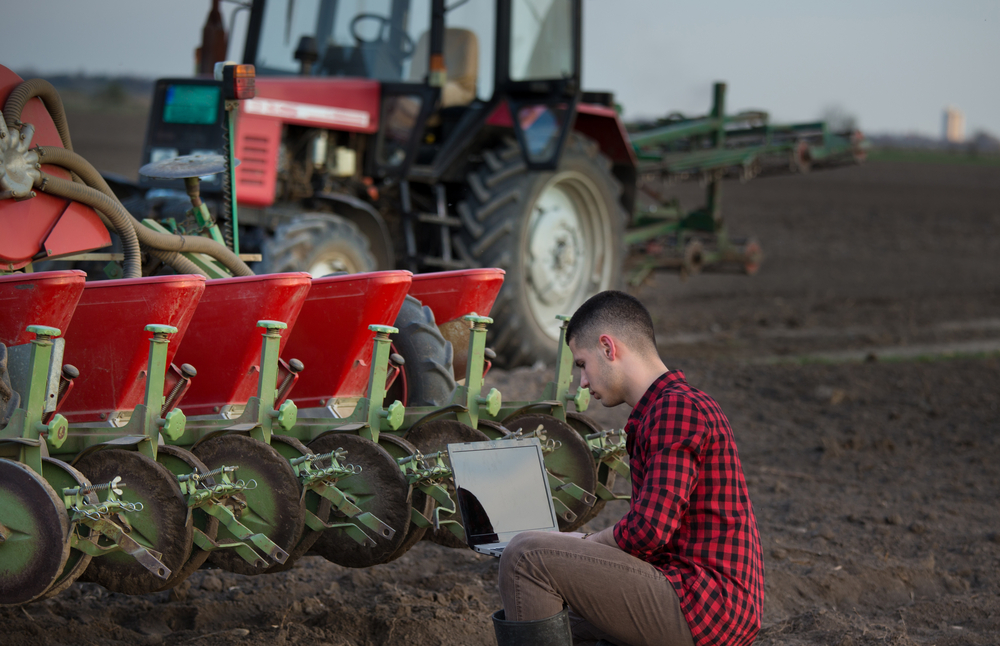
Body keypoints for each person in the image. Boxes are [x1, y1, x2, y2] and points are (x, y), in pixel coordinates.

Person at [492, 291, 764, 646]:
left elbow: (648, 531)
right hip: (692, 595)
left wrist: (584, 542)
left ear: (608, 348)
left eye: (582, 364)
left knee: (526, 556)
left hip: (704, 604)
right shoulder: (666, 409)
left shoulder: (677, 409)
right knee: (564, 622)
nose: (583, 383)